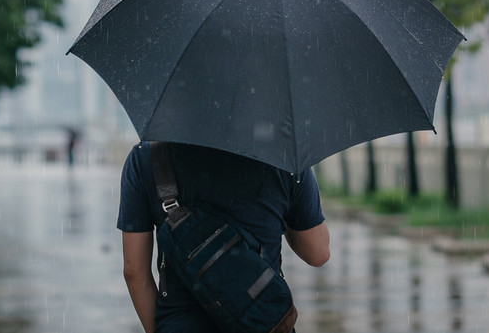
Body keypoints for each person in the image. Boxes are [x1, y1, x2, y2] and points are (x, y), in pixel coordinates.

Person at [118, 141, 330, 333]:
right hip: (263, 321)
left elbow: (134, 271)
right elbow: (317, 252)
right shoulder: (285, 156)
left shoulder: (147, 155)